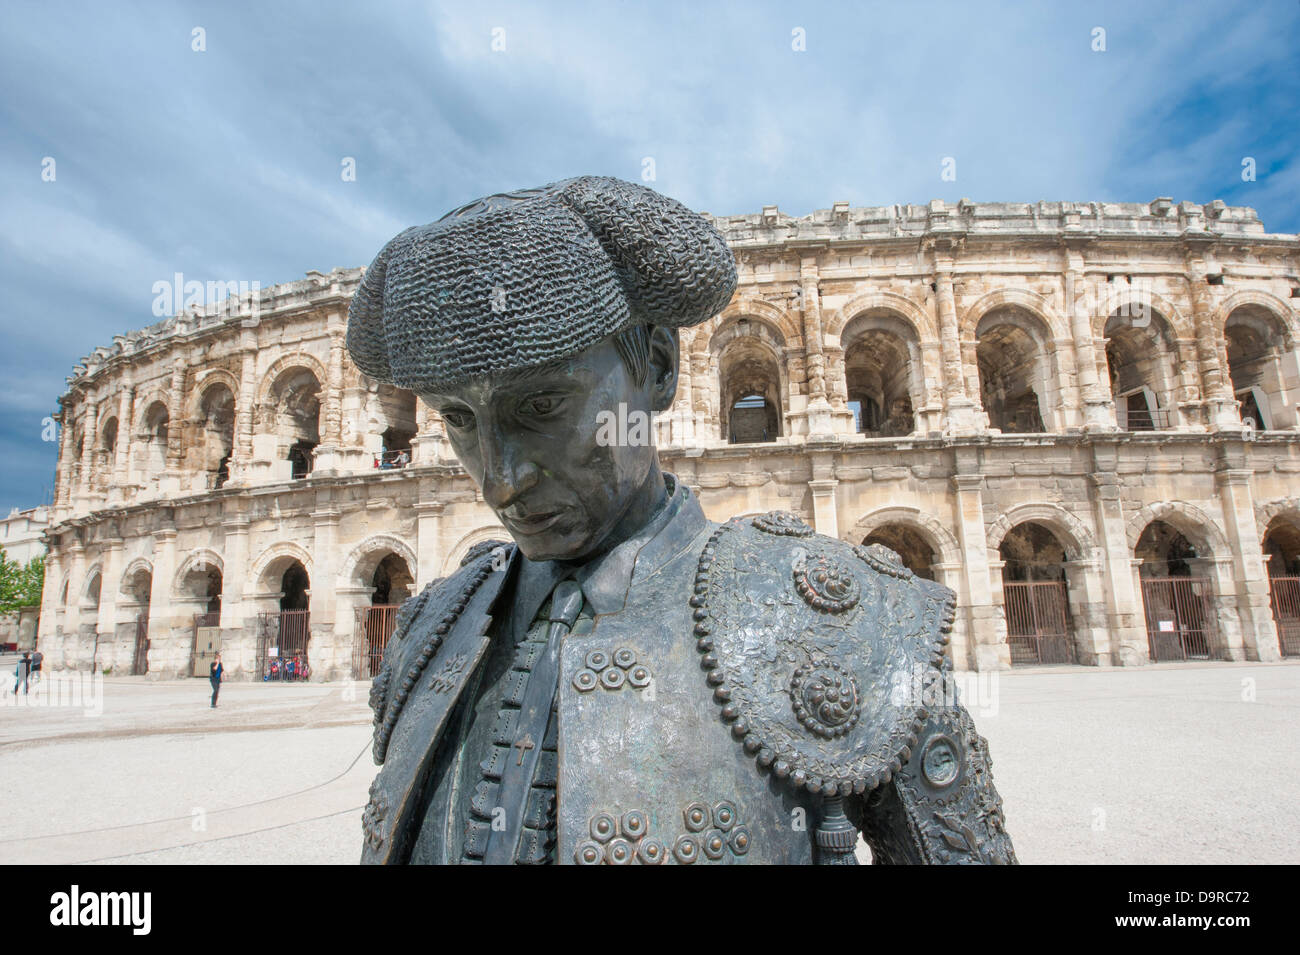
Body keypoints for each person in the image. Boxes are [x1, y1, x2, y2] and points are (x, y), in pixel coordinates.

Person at [349, 176, 1016, 865]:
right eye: (459, 418)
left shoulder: (841, 620)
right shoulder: (431, 628)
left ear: (659, 368)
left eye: (543, 407)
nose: (499, 478)